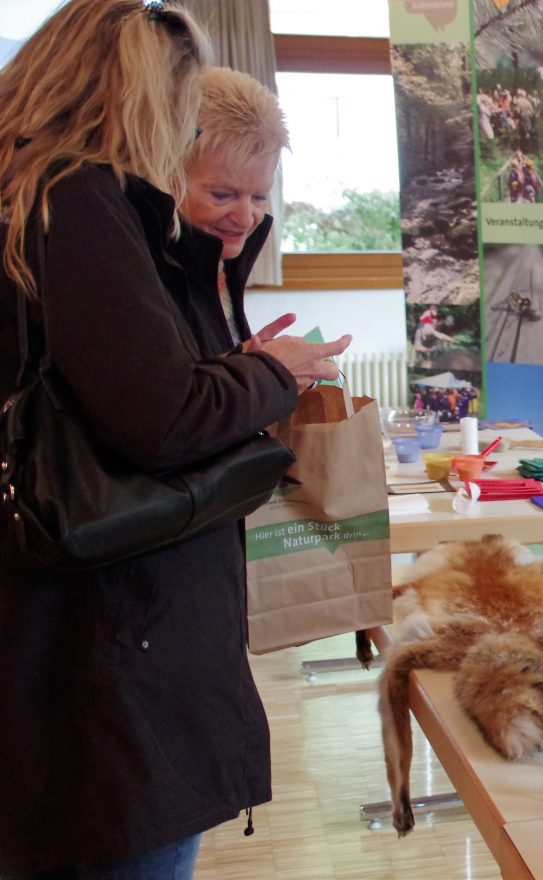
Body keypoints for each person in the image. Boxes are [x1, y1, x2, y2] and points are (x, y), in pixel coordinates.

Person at [0, 2, 349, 877]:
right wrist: (272, 373)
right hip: (112, 644)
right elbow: (159, 414)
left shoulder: (30, 194)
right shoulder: (77, 200)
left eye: (256, 197)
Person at [176, 66, 292, 358]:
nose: (245, 218)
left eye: (260, 197)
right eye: (222, 195)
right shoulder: (144, 272)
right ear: (168, 176)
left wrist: (257, 369)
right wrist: (261, 376)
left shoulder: (221, 263)